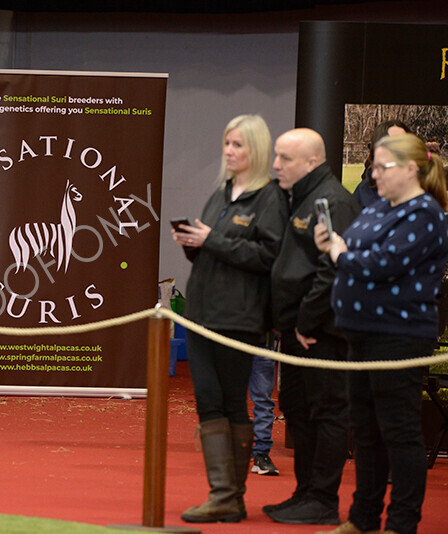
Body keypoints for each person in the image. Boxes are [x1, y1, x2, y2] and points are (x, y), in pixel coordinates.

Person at [314, 133, 448, 534]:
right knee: (367, 431)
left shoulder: (425, 213)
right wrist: (335, 246)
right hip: (363, 331)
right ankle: (363, 517)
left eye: (381, 167)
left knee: (400, 431)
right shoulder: (379, 209)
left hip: (399, 335)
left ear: (411, 169)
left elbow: (380, 265)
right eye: (373, 167)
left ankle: (402, 523)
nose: (374, 175)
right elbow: (358, 256)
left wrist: (338, 251)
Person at [171, 114, 288, 523]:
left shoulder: (270, 199)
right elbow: (218, 249)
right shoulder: (221, 193)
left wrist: (213, 241)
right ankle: (225, 496)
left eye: (238, 144)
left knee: (227, 402)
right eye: (226, 143)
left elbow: (270, 257)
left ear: (255, 150)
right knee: (208, 402)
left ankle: (229, 495)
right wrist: (194, 243)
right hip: (203, 312)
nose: (229, 150)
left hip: (238, 316)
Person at [267, 128, 361, 525]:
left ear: (312, 162)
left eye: (285, 158)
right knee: (300, 410)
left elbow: (330, 270)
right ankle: (305, 492)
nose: (275, 165)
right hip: (298, 330)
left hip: (320, 331)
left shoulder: (331, 201)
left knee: (326, 412)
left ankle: (322, 498)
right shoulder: (304, 197)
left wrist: (306, 322)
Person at [353, 120, 410, 208]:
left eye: (403, 143)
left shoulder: (422, 191)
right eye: (392, 143)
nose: (399, 149)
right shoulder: (363, 191)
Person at [249, 336, 279, 476]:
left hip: (263, 342)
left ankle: (261, 454)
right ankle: (230, 453)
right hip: (231, 340)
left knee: (264, 402)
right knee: (229, 400)